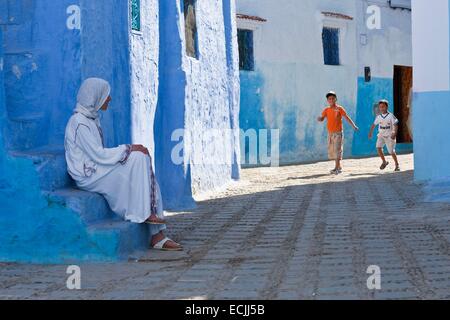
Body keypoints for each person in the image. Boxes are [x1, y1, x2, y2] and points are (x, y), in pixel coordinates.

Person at [64, 78, 182, 251]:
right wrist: (129, 148)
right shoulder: (79, 122)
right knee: (136, 158)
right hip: (88, 175)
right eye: (105, 95)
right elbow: (98, 154)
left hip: (97, 168)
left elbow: (98, 155)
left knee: (141, 160)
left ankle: (154, 228)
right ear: (94, 96)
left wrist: (131, 151)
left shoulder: (90, 119)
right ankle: (150, 222)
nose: (109, 99)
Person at [318, 91, 359, 174]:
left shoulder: (339, 109)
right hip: (330, 133)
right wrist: (320, 119)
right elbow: (322, 118)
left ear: (336, 99)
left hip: (338, 133)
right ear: (327, 100)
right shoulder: (326, 110)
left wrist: (354, 126)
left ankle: (336, 168)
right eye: (329, 99)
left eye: (333, 98)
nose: (331, 100)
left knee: (337, 150)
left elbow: (346, 117)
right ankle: (339, 166)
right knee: (333, 150)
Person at [368, 99, 401, 172]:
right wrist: (370, 133)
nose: (381, 108)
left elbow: (396, 125)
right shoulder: (379, 117)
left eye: (383, 107)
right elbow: (373, 125)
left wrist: (394, 133)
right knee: (378, 147)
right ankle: (384, 162)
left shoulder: (391, 116)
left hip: (389, 136)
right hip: (381, 135)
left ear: (387, 107)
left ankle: (397, 165)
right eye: (380, 107)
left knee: (391, 151)